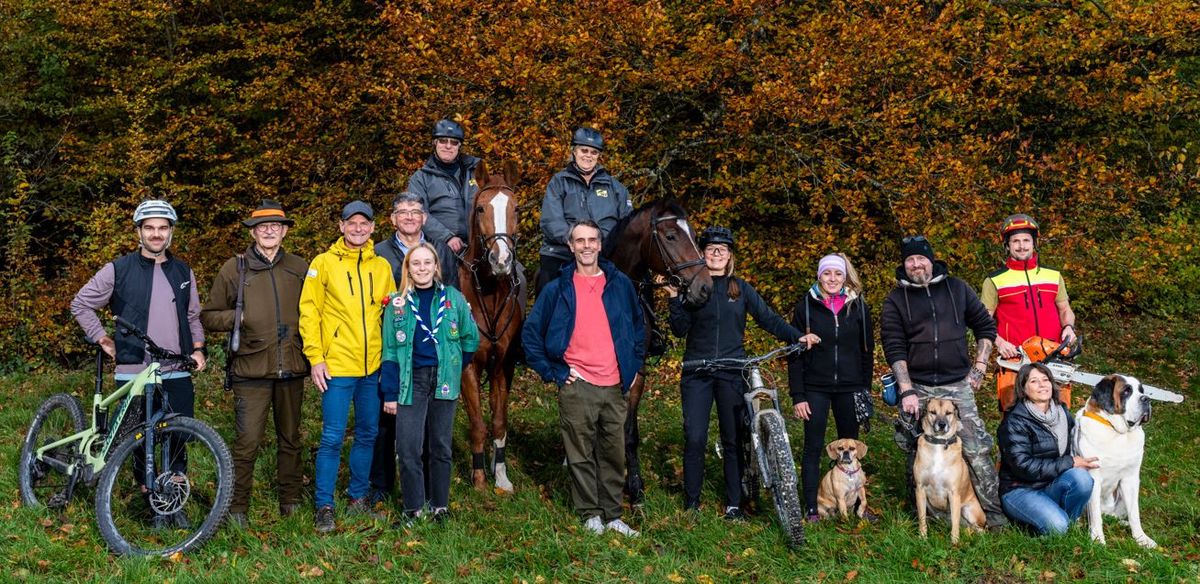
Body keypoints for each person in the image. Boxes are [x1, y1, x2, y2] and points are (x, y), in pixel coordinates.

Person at [70, 199, 207, 528]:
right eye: (149, 228)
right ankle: (149, 499)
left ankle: (172, 500)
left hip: (175, 367)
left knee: (176, 438)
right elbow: (81, 303)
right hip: (134, 367)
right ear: (139, 232)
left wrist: (199, 348)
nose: (156, 234)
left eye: (162, 228)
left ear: (171, 232)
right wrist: (102, 338)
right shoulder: (118, 269)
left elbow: (193, 316)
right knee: (136, 438)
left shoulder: (183, 271)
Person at [666, 226, 802, 519]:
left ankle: (734, 504)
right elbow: (679, 330)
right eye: (711, 249)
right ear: (702, 255)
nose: (716, 253)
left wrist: (797, 337)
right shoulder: (694, 287)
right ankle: (692, 503)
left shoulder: (740, 289)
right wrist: (674, 300)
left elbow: (768, 319)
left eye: (722, 249)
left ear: (729, 256)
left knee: (733, 438)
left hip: (731, 371)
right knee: (695, 437)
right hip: (697, 373)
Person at [522, 220, 645, 537]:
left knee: (614, 453)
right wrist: (555, 372)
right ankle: (590, 513)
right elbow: (531, 337)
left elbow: (637, 330)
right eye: (580, 240)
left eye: (592, 239)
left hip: (615, 384)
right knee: (580, 454)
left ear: (600, 245)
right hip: (577, 385)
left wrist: (631, 369)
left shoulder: (620, 284)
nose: (587, 245)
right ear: (571, 246)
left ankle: (613, 514)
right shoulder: (557, 289)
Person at [880, 235, 1007, 528]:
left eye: (920, 258)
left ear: (931, 260)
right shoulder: (896, 299)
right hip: (918, 386)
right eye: (909, 260)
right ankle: (922, 515)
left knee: (976, 448)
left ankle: (996, 517)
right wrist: (906, 389)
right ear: (904, 264)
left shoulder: (957, 288)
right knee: (913, 446)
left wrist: (978, 367)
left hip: (956, 383)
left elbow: (985, 326)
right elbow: (894, 344)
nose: (915, 264)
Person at [200, 199, 309, 528]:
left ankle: (290, 500)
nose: (269, 231)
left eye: (275, 226)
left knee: (291, 438)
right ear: (253, 231)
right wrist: (239, 316)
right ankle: (237, 507)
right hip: (250, 369)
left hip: (292, 365)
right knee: (247, 442)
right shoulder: (235, 268)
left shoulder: (300, 267)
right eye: (262, 227)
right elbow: (208, 315)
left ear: (285, 231)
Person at [299, 200, 396, 533]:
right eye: (351, 223)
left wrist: (390, 360)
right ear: (341, 226)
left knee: (368, 434)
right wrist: (316, 357)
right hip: (337, 366)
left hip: (372, 368)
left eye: (364, 223)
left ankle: (357, 498)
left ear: (372, 228)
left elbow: (391, 315)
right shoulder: (323, 264)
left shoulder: (381, 267)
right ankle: (324, 505)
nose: (358, 228)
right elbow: (309, 313)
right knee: (332, 437)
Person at [379, 243, 479, 523]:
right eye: (416, 264)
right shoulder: (396, 304)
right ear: (408, 269)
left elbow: (470, 337)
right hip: (410, 381)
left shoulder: (454, 298)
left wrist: (455, 364)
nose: (422, 268)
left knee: (440, 445)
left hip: (443, 378)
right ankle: (413, 508)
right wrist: (389, 392)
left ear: (437, 267)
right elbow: (389, 351)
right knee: (408, 447)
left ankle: (439, 507)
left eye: (427, 263)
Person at [369, 192, 457, 503]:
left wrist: (454, 354)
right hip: (391, 347)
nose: (409, 216)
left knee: (431, 431)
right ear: (392, 219)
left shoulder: (441, 251)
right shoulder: (379, 252)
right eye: (402, 212)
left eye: (415, 211)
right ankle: (381, 486)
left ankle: (432, 495)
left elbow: (453, 300)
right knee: (386, 422)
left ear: (424, 217)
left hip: (430, 355)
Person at [787, 253, 875, 522]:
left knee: (852, 448)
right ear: (819, 276)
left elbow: (867, 352)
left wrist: (864, 389)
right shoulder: (805, 306)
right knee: (813, 447)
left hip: (849, 388)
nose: (833, 279)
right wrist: (798, 395)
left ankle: (858, 505)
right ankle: (813, 507)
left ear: (844, 276)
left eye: (838, 274)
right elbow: (795, 353)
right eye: (827, 274)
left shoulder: (858, 306)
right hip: (815, 388)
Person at [981, 214, 1078, 411]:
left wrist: (1068, 327)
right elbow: (982, 320)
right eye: (1015, 241)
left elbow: (1065, 309)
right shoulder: (995, 280)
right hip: (1015, 359)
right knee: (1014, 419)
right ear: (1007, 246)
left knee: (1059, 414)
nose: (1022, 246)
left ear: (1034, 243)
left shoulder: (1053, 276)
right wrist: (999, 342)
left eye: (1026, 240)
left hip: (1053, 355)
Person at [997, 363, 1097, 535]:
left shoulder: (1062, 413)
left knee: (1083, 479)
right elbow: (1024, 467)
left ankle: (1063, 521)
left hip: (1050, 483)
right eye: (1034, 381)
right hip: (1020, 489)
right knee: (1057, 526)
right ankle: (1039, 523)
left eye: (1045, 379)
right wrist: (1070, 462)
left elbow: (1077, 441)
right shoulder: (1014, 422)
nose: (1042, 385)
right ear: (1023, 388)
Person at [536, 127, 632, 295]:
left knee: (635, 285)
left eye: (594, 152)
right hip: (562, 252)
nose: (588, 156)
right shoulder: (559, 182)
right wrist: (577, 242)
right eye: (584, 150)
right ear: (574, 151)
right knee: (546, 289)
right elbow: (551, 220)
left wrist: (603, 244)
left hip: (605, 253)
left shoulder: (615, 187)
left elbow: (627, 223)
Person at [406, 118, 478, 288]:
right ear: (435, 143)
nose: (448, 146)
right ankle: (448, 303)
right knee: (443, 262)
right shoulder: (421, 177)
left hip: (476, 239)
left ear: (459, 146)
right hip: (440, 241)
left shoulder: (475, 172)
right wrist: (447, 237)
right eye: (443, 141)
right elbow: (418, 213)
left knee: (511, 267)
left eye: (454, 142)